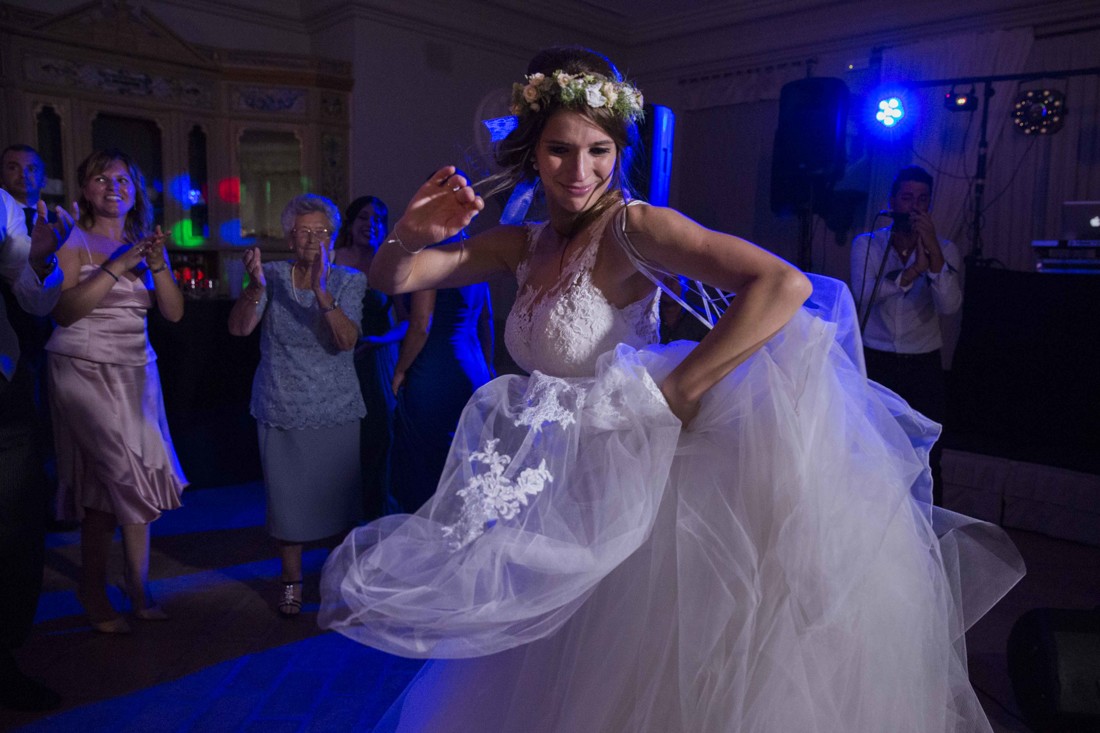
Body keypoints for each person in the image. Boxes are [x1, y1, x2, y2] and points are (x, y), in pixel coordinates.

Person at [320, 47, 1022, 732]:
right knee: (543, 662)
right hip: (549, 473)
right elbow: (395, 279)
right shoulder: (522, 242)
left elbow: (784, 285)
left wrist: (678, 389)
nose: (580, 170)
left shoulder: (633, 227)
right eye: (561, 149)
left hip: (627, 470)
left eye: (599, 150)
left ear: (618, 150)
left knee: (627, 666)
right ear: (532, 151)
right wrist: (406, 237)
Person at [46, 149, 187, 633]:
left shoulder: (142, 243)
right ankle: (103, 586)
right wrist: (116, 266)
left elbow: (172, 313)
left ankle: (132, 583)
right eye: (101, 178)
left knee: (116, 482)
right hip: (80, 366)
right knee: (121, 472)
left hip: (136, 371)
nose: (113, 186)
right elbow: (63, 312)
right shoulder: (73, 239)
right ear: (85, 190)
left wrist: (157, 263)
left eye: (123, 179)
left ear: (135, 191)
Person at [228, 193, 366, 616]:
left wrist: (322, 290)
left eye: (321, 232)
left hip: (335, 406)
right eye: (303, 232)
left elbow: (346, 341)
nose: (312, 240)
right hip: (280, 405)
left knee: (339, 505)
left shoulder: (349, 280)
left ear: (333, 236)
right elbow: (238, 329)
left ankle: (338, 582)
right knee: (287, 507)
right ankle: (291, 584)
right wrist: (254, 288)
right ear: (290, 239)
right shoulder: (268, 275)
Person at [0, 187, 74, 711]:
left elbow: (32, 296)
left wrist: (43, 256)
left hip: (2, 386)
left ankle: (3, 659)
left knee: (16, 530)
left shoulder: (1, 204)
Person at [850, 165, 962, 506]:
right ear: (892, 201)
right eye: (907, 198)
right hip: (877, 357)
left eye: (923, 199)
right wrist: (914, 270)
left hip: (922, 362)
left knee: (926, 453)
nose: (914, 207)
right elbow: (864, 294)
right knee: (871, 447)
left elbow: (949, 305)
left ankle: (929, 534)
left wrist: (934, 258)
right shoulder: (867, 244)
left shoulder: (945, 249)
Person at [388, 226, 495, 513]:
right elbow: (486, 320)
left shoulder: (431, 254)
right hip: (473, 366)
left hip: (436, 366)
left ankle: (432, 536)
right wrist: (488, 366)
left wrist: (399, 370)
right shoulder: (475, 253)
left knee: (429, 460)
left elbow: (422, 324)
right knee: (466, 456)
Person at [333, 196, 404, 518]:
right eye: (363, 217)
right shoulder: (333, 260)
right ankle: (336, 514)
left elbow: (407, 322)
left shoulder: (388, 263)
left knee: (378, 436)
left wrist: (379, 340)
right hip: (335, 359)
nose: (370, 224)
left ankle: (374, 515)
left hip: (375, 359)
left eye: (378, 219)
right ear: (350, 223)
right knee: (341, 441)